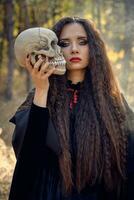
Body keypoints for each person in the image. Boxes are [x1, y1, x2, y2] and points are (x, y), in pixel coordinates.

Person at [9, 17, 134, 200]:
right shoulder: (39, 97)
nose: (74, 49)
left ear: (94, 48)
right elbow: (28, 161)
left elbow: (129, 167)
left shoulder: (113, 102)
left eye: (82, 42)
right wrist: (42, 89)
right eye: (64, 43)